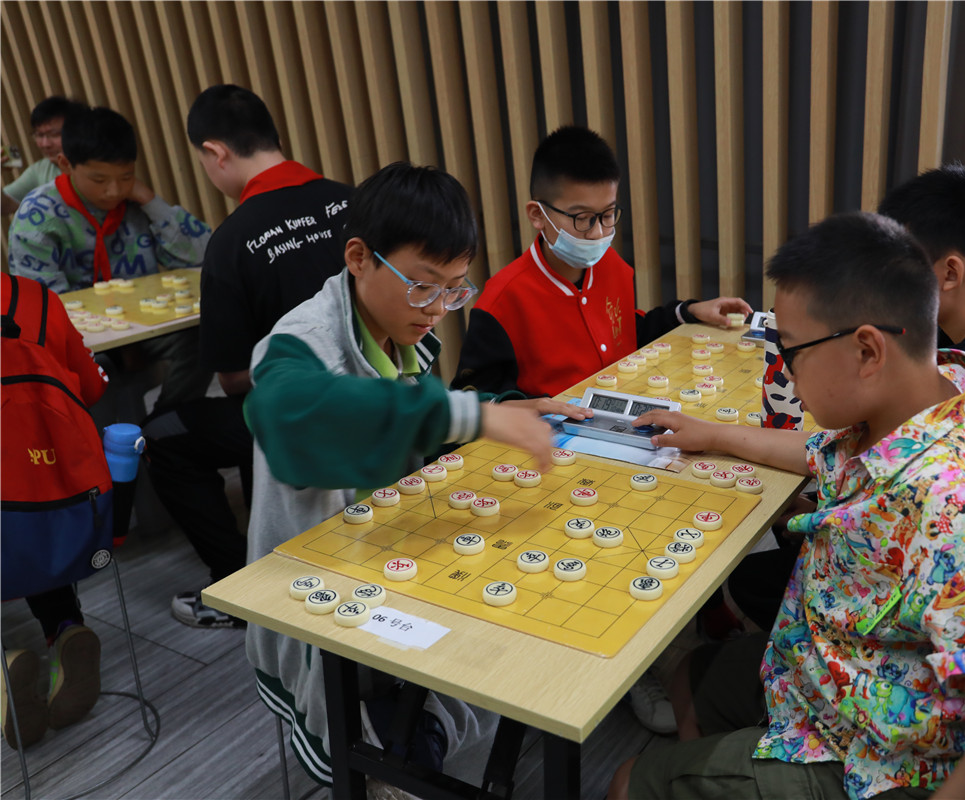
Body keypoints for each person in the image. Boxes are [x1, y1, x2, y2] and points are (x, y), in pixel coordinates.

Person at [612, 212, 965, 800]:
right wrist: (712, 434)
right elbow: (820, 452)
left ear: (866, 350)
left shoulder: (954, 501)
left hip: (879, 758)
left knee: (627, 782)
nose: (785, 372)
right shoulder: (927, 397)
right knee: (690, 678)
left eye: (791, 352)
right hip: (830, 665)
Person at [243, 161, 589, 787]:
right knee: (404, 719)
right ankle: (393, 752)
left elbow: (407, 420)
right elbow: (289, 412)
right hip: (317, 589)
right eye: (424, 286)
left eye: (454, 289)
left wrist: (500, 409)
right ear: (358, 258)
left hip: (390, 546)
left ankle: (414, 736)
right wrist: (469, 415)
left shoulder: (401, 329)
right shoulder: (299, 343)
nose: (437, 310)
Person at [728, 164, 965, 632]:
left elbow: (929, 502)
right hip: (932, 546)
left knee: (760, 573)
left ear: (949, 272)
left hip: (961, 580)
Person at [142, 85, 354, 629]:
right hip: (381, 395)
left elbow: (236, 377)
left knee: (162, 432)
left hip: (304, 416)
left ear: (215, 153)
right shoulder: (354, 201)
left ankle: (239, 587)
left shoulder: (233, 239)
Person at [452, 125, 753, 399]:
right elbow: (474, 400)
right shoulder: (502, 301)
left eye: (608, 215)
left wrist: (688, 311)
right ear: (538, 215)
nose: (598, 233)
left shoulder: (611, 266)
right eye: (582, 218)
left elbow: (626, 335)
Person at [7, 105, 214, 410]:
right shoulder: (38, 215)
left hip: (141, 324)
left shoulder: (136, 202)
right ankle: (113, 438)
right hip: (81, 337)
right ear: (65, 164)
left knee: (203, 339)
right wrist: (118, 345)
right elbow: (44, 307)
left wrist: (151, 201)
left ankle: (168, 422)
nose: (113, 191)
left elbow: (202, 257)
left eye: (126, 176)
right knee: (99, 367)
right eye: (99, 179)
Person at [1, 274, 109, 747]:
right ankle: (64, 628)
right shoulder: (34, 296)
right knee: (29, 502)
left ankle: (4, 669)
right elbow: (91, 388)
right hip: (38, 495)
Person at [2, 96, 85, 216]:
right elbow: (5, 206)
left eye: (54, 134)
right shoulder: (40, 169)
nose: (45, 144)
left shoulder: (96, 164)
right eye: (40, 135)